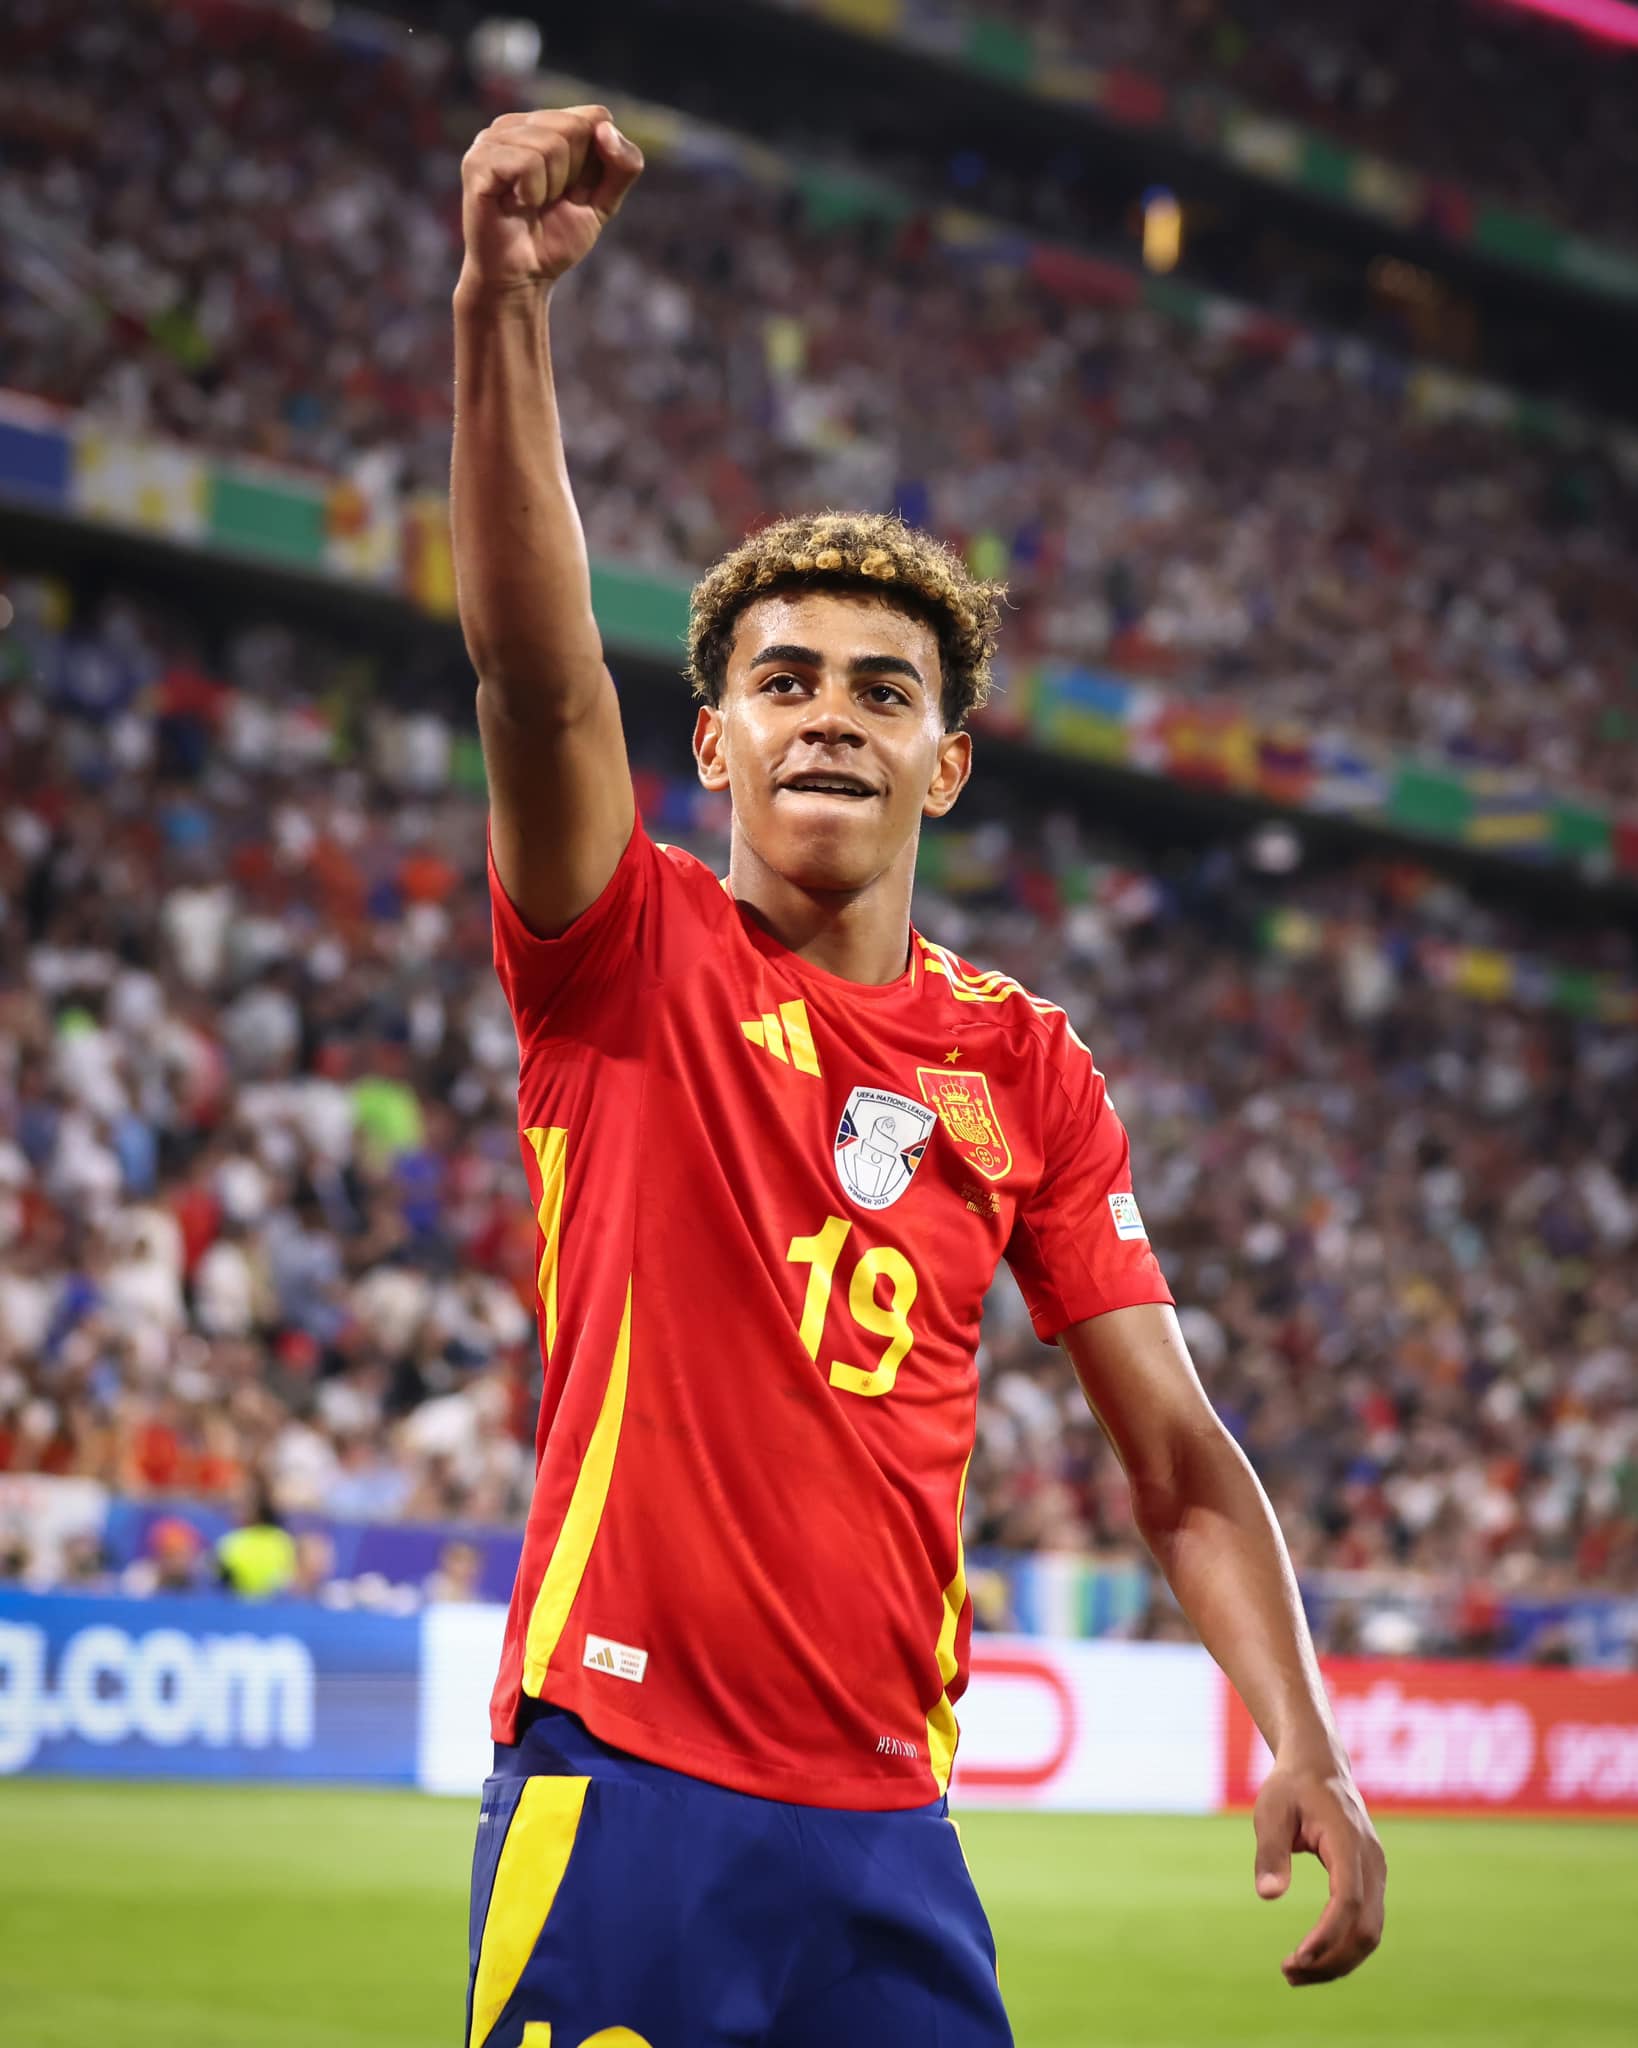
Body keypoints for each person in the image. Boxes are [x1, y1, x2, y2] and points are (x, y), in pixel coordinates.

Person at [453, 105, 1386, 2048]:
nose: (832, 719)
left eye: (886, 692)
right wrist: (502, 310)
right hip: (625, 1780)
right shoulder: (627, 956)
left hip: (891, 1831)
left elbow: (1175, 1458)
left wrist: (1308, 1732)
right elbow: (539, 682)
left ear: (945, 767)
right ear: (709, 742)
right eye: (783, 681)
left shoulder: (1027, 1062)